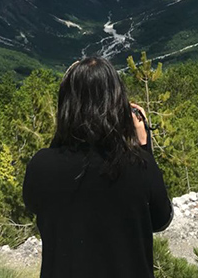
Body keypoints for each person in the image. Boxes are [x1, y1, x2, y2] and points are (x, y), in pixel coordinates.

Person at [22, 56, 173, 278]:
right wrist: (143, 146)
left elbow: (35, 204)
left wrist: (62, 134)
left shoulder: (41, 166)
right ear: (118, 104)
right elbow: (160, 219)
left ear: (66, 106)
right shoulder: (138, 164)